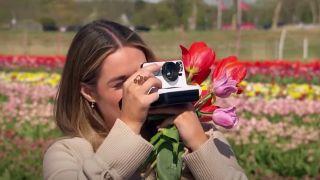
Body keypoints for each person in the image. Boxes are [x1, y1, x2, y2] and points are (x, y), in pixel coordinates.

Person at [43, 19, 247, 180]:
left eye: (143, 74)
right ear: (89, 92)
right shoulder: (69, 154)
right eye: (121, 83)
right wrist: (129, 125)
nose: (138, 90)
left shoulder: (198, 133)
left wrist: (199, 144)